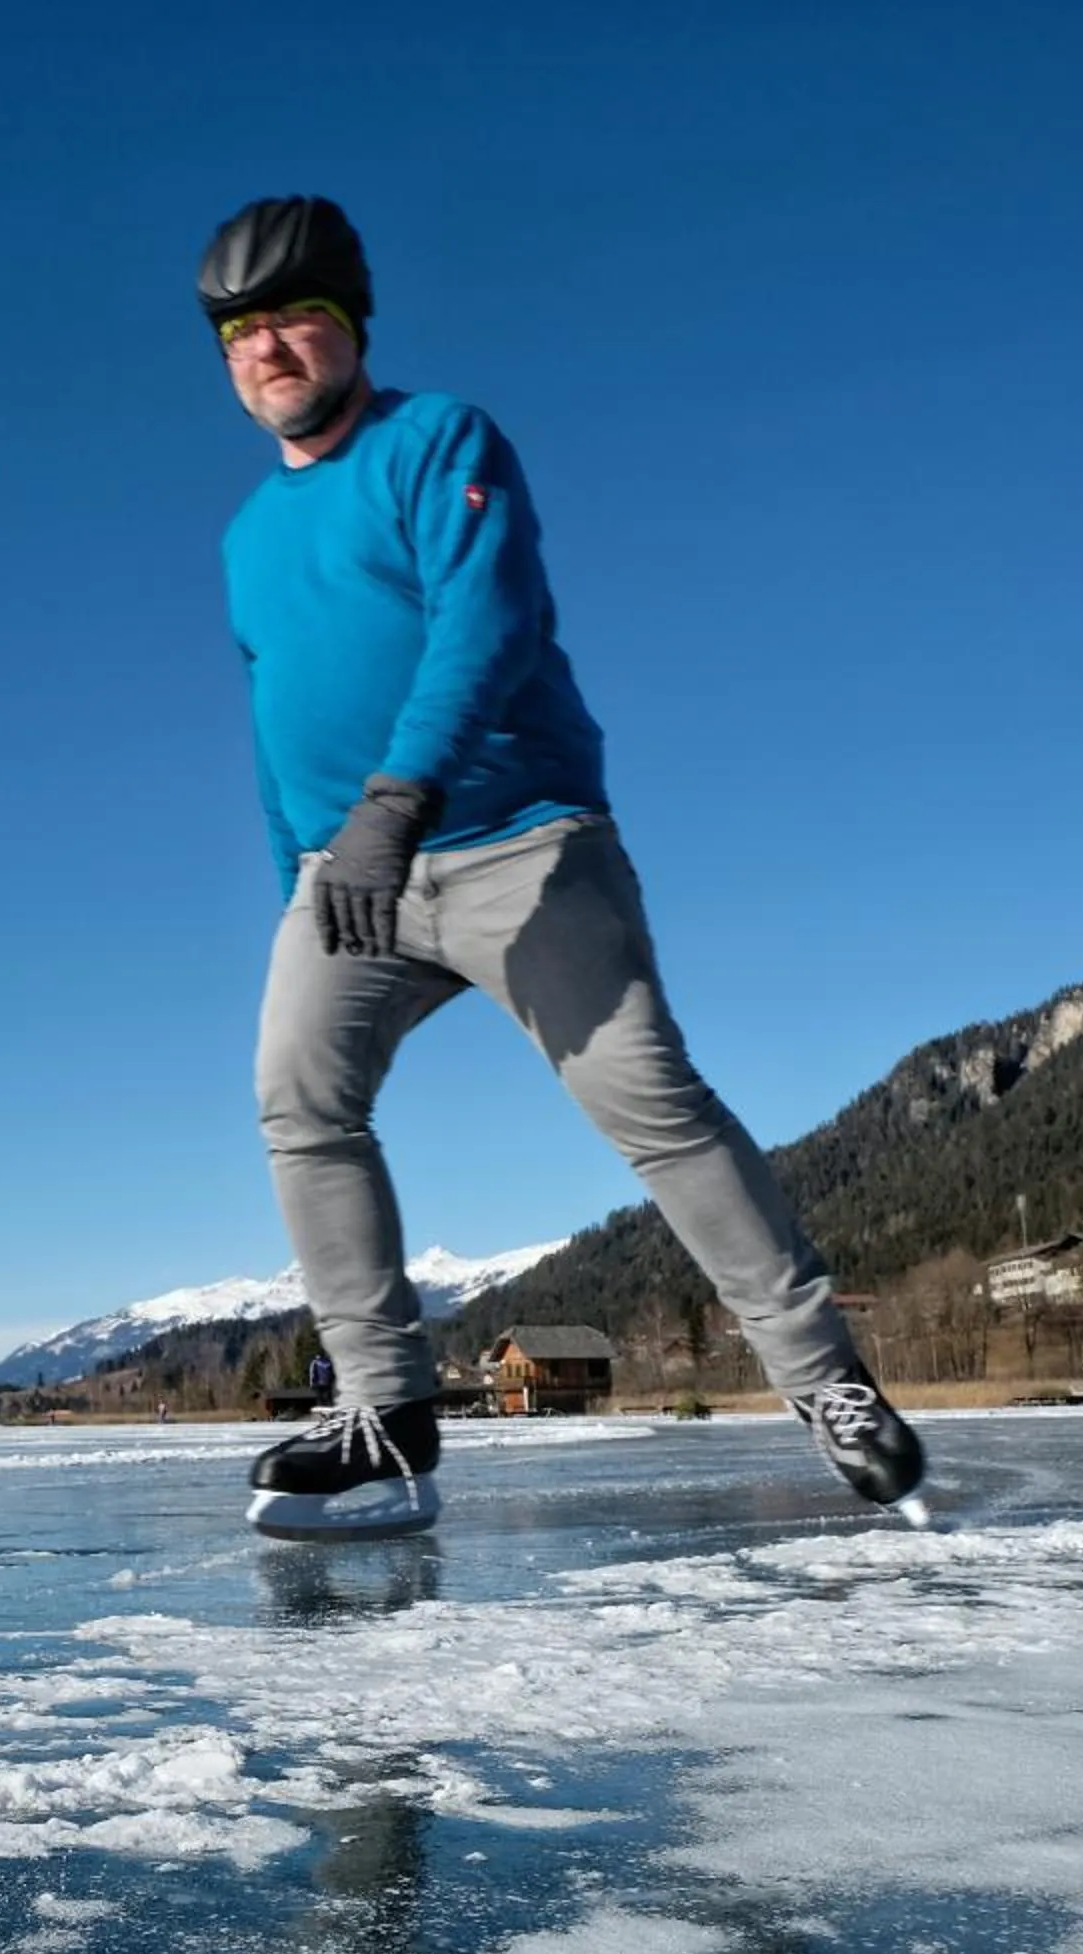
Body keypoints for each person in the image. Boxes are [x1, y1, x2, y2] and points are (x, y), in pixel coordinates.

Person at [199, 195, 927, 1541]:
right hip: (345, 879)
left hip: (518, 846)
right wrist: (297, 872)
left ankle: (828, 1389)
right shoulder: (249, 534)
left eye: (295, 317)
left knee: (652, 1106)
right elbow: (269, 707)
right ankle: (387, 1414)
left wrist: (394, 801)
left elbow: (490, 624)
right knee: (301, 1101)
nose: (268, 348)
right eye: (240, 330)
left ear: (351, 323)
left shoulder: (438, 440)